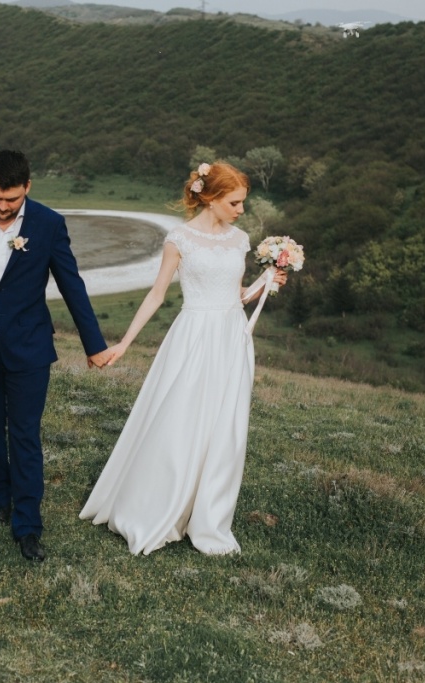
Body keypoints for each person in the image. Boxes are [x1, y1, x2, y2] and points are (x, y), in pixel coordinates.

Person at [79, 161, 287, 556]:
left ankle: (209, 518)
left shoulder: (240, 240)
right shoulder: (180, 239)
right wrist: (124, 343)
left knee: (225, 429)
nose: (241, 209)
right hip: (193, 338)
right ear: (211, 198)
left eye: (243, 202)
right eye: (235, 202)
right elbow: (157, 295)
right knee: (180, 421)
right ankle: (157, 507)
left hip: (232, 340)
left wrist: (266, 283)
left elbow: (236, 296)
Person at [0, 150, 112, 562]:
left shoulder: (49, 224)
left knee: (25, 433)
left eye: (11, 199)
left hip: (29, 347)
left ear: (27, 188)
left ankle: (28, 525)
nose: (2, 206)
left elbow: (71, 285)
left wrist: (94, 345)